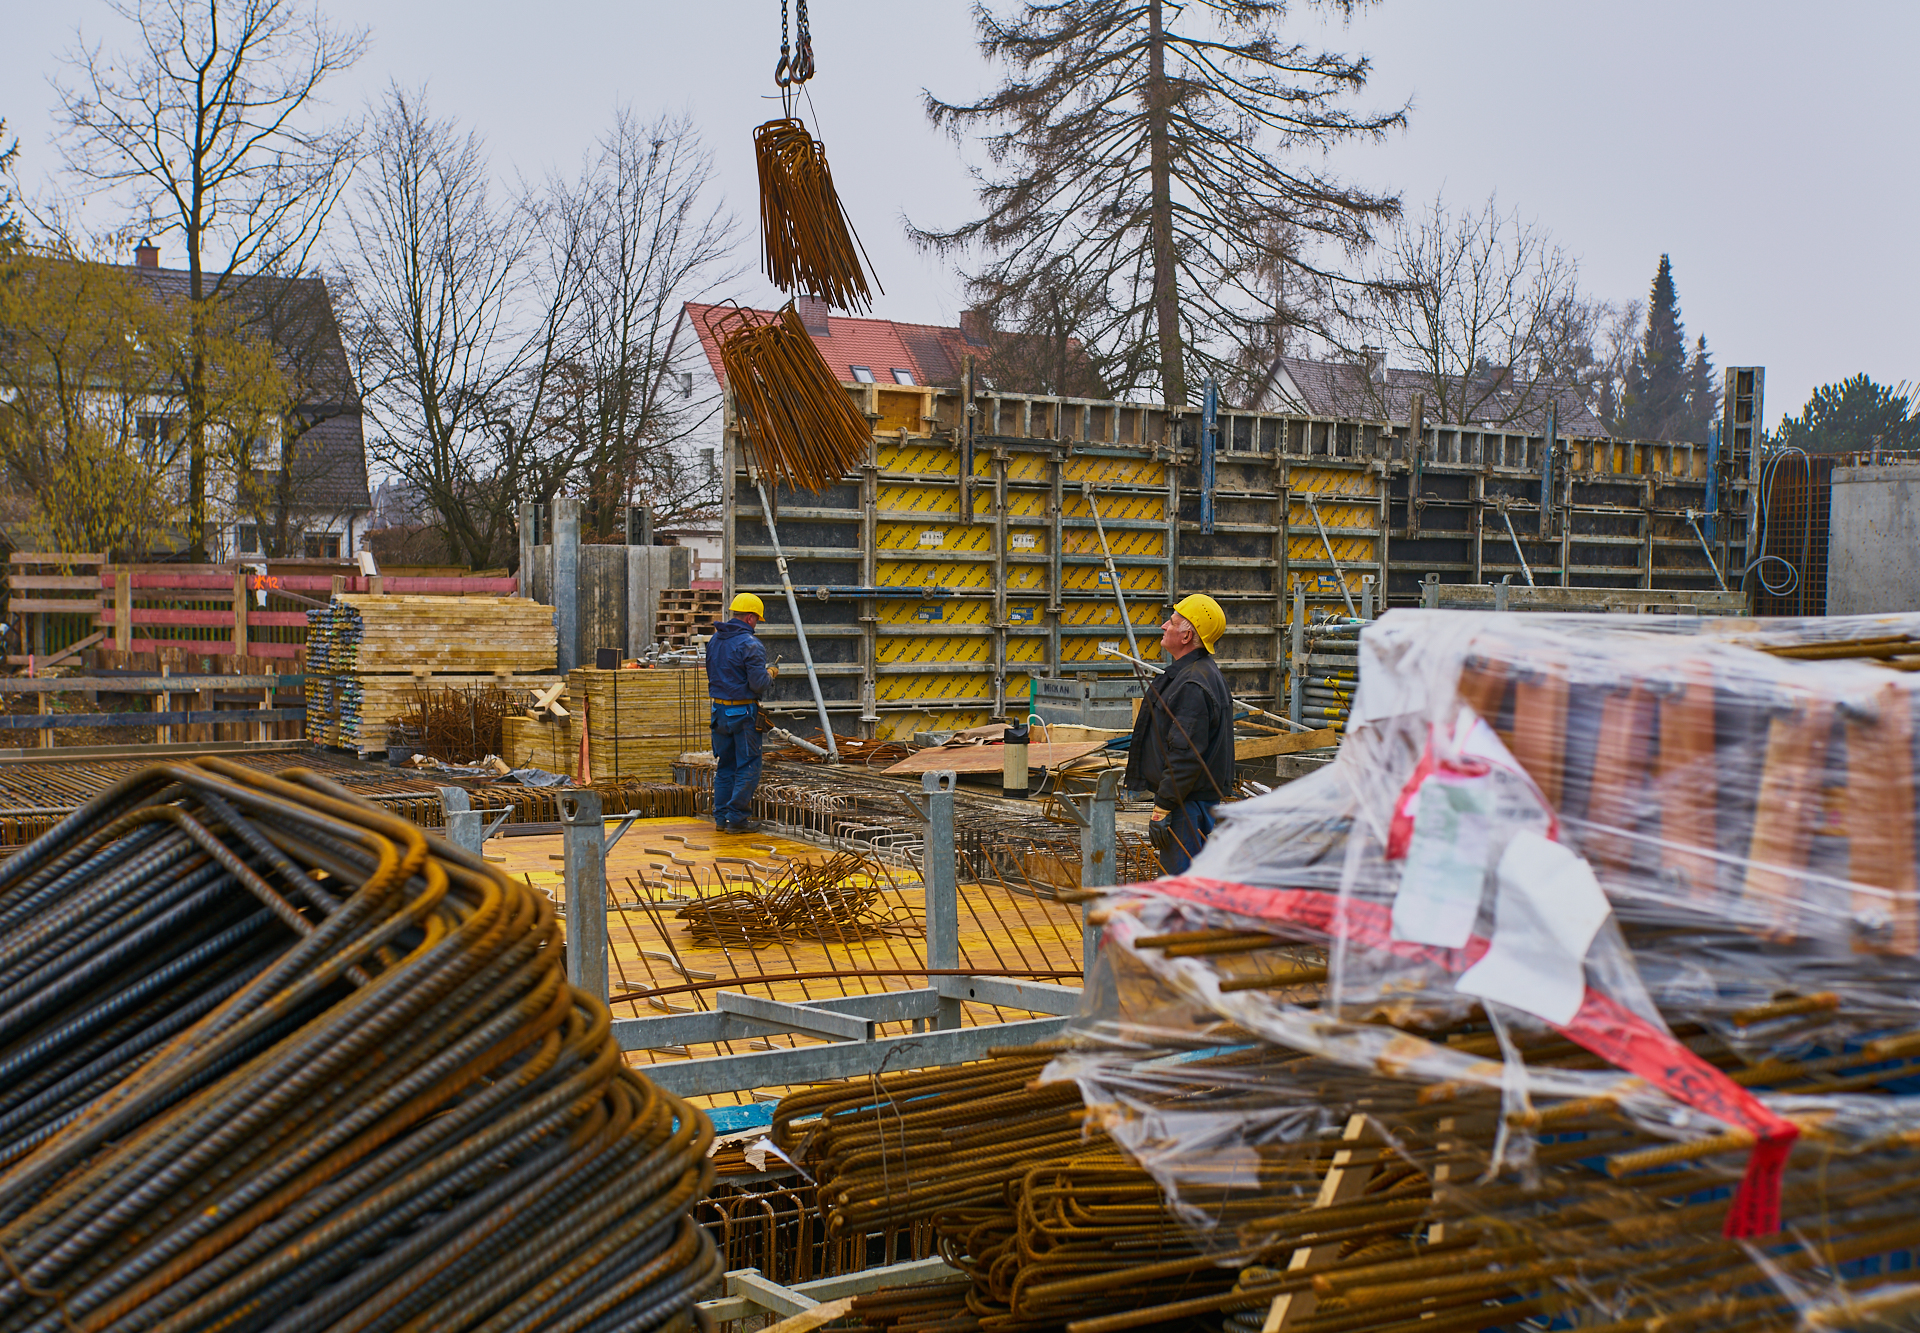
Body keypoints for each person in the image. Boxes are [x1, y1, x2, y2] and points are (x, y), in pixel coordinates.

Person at [1124, 593, 1234, 875]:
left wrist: (1163, 805)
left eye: (1171, 622)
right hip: (1192, 803)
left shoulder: (1193, 684)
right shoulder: (1196, 674)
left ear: (1186, 636)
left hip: (1187, 808)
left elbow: (1185, 754)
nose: (1163, 626)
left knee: (1181, 893)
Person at [706, 592, 779, 834]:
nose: (756, 623)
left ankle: (721, 818)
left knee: (725, 765)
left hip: (718, 710)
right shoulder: (750, 644)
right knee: (748, 765)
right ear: (749, 617)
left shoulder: (715, 641)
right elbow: (758, 684)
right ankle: (736, 819)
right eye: (757, 619)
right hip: (742, 713)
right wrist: (770, 674)